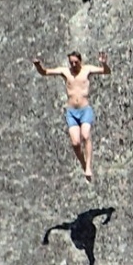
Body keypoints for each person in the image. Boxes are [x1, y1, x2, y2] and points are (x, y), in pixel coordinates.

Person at [33, 50, 110, 181]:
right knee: (75, 143)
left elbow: (106, 71)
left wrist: (104, 64)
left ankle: (89, 167)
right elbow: (45, 72)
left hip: (85, 110)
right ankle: (83, 163)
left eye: (76, 62)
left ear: (80, 61)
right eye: (71, 62)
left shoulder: (87, 70)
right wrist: (38, 66)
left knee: (86, 135)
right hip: (72, 112)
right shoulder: (65, 72)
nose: (74, 65)